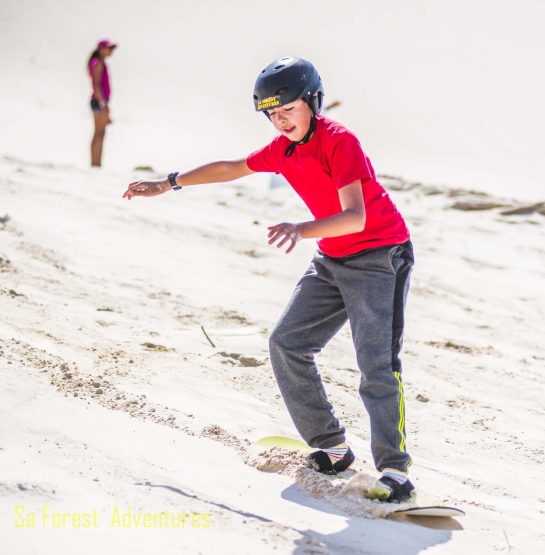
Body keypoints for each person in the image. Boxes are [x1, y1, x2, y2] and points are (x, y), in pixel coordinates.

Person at [122, 57, 415, 502]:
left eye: (288, 110)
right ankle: (333, 447)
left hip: (380, 257)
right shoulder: (283, 150)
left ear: (312, 102)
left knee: (375, 364)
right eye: (272, 114)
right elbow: (229, 168)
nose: (280, 121)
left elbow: (355, 217)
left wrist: (300, 229)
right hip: (332, 259)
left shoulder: (341, 142)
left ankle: (395, 471)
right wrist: (167, 184)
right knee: (287, 343)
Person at [87, 39, 117, 167]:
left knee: (100, 133)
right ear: (101, 49)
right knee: (99, 133)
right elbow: (96, 84)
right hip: (99, 101)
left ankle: (96, 163)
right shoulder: (98, 63)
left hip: (101, 101)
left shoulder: (101, 63)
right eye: (108, 48)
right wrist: (102, 103)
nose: (111, 51)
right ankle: (95, 164)